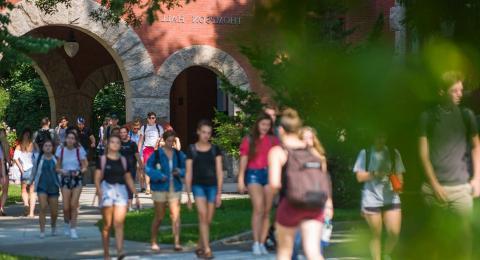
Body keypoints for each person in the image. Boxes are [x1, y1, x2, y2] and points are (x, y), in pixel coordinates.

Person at [419, 71, 480, 259]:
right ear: (441, 92)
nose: (460, 94)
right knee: (436, 241)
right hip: (433, 190)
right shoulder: (428, 117)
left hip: (461, 189)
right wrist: (435, 185)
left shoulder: (466, 115)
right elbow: (423, 154)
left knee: (464, 240)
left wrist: (477, 179)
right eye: (454, 91)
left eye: (461, 90)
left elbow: (476, 146)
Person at [268, 108, 333, 260]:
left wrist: (272, 203)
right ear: (298, 130)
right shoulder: (314, 152)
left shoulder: (278, 151)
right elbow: (324, 179)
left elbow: (274, 184)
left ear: (281, 130)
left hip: (291, 204)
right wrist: (328, 204)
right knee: (313, 252)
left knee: (285, 252)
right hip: (314, 204)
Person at [353, 132, 404, 260]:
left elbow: (400, 176)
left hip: (391, 196)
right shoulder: (365, 153)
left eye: (383, 136)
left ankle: (386, 254)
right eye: (378, 136)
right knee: (376, 235)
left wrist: (399, 184)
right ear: (373, 137)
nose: (381, 139)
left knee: (394, 233)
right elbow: (359, 177)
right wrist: (375, 173)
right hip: (371, 198)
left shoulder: (393, 153)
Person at [237, 113, 279, 255]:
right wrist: (241, 179)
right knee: (258, 208)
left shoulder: (273, 140)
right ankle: (255, 242)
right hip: (253, 174)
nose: (265, 127)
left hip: (269, 174)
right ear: (257, 124)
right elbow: (243, 159)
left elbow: (279, 159)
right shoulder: (249, 139)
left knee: (267, 211)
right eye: (263, 124)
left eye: (268, 125)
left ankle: (262, 242)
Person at [95, 134, 140, 260]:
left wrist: (136, 194)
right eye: (112, 142)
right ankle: (106, 253)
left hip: (121, 191)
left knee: (119, 223)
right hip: (107, 190)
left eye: (117, 142)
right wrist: (99, 191)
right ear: (108, 144)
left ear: (120, 145)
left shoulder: (123, 160)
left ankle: (120, 251)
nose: (115, 144)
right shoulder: (102, 160)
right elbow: (97, 178)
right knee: (107, 225)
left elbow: (128, 177)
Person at [185, 120, 223, 259]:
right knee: (202, 215)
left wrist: (219, 193)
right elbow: (188, 173)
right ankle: (207, 249)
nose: (206, 135)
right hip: (198, 186)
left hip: (212, 186)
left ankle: (199, 245)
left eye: (209, 133)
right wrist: (188, 196)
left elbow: (219, 172)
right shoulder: (192, 149)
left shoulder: (215, 149)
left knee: (208, 219)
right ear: (198, 132)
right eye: (204, 132)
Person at [291, 126, 330, 260]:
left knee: (316, 239)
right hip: (300, 201)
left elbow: (325, 181)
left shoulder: (320, 157)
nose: (308, 141)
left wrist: (329, 203)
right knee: (296, 239)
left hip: (317, 200)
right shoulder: (295, 156)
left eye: (310, 137)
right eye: (305, 138)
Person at [146, 130, 186, 252]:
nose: (170, 143)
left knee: (175, 215)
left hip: (175, 187)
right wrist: (159, 175)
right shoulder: (157, 154)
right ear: (163, 140)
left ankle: (177, 242)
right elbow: (148, 168)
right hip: (159, 188)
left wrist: (179, 171)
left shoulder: (179, 154)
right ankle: (153, 241)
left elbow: (186, 168)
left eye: (172, 141)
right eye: (168, 141)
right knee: (159, 216)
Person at [55, 131, 88, 239]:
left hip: (76, 178)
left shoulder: (79, 150)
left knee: (74, 204)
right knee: (65, 206)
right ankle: (66, 224)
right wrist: (62, 171)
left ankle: (73, 228)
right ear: (66, 139)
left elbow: (85, 165)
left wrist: (80, 171)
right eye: (69, 138)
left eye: (73, 138)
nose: (70, 140)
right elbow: (57, 167)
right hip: (65, 178)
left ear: (75, 140)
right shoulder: (61, 150)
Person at [30, 140, 59, 238]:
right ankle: (42, 230)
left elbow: (60, 172)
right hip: (42, 186)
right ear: (43, 148)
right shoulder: (39, 158)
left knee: (54, 212)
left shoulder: (56, 159)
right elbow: (34, 171)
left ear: (52, 148)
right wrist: (30, 181)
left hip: (54, 187)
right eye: (46, 145)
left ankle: (53, 226)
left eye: (50, 146)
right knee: (42, 207)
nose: (48, 147)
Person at [138, 112, 164, 195]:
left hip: (157, 149)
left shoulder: (159, 128)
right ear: (148, 119)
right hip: (147, 149)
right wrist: (138, 152)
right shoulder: (144, 127)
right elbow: (141, 140)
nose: (152, 119)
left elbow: (163, 139)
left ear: (155, 118)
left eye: (154, 118)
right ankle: (148, 188)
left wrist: (160, 143)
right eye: (150, 118)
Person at [119, 127, 144, 211]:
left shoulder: (133, 144)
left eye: (124, 132)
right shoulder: (117, 144)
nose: (122, 134)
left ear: (127, 133)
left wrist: (141, 165)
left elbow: (137, 155)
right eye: (121, 132)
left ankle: (129, 206)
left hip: (131, 169)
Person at [14, 128, 35, 217]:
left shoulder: (19, 146)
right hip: (33, 169)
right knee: (32, 191)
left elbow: (15, 158)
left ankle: (26, 204)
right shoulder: (33, 145)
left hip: (25, 170)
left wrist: (21, 169)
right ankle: (31, 212)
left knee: (23, 189)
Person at [0, 128, 10, 216]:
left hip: (3, 166)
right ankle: (1, 207)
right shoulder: (5, 143)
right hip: (3, 166)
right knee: (5, 189)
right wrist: (10, 163)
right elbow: (6, 157)